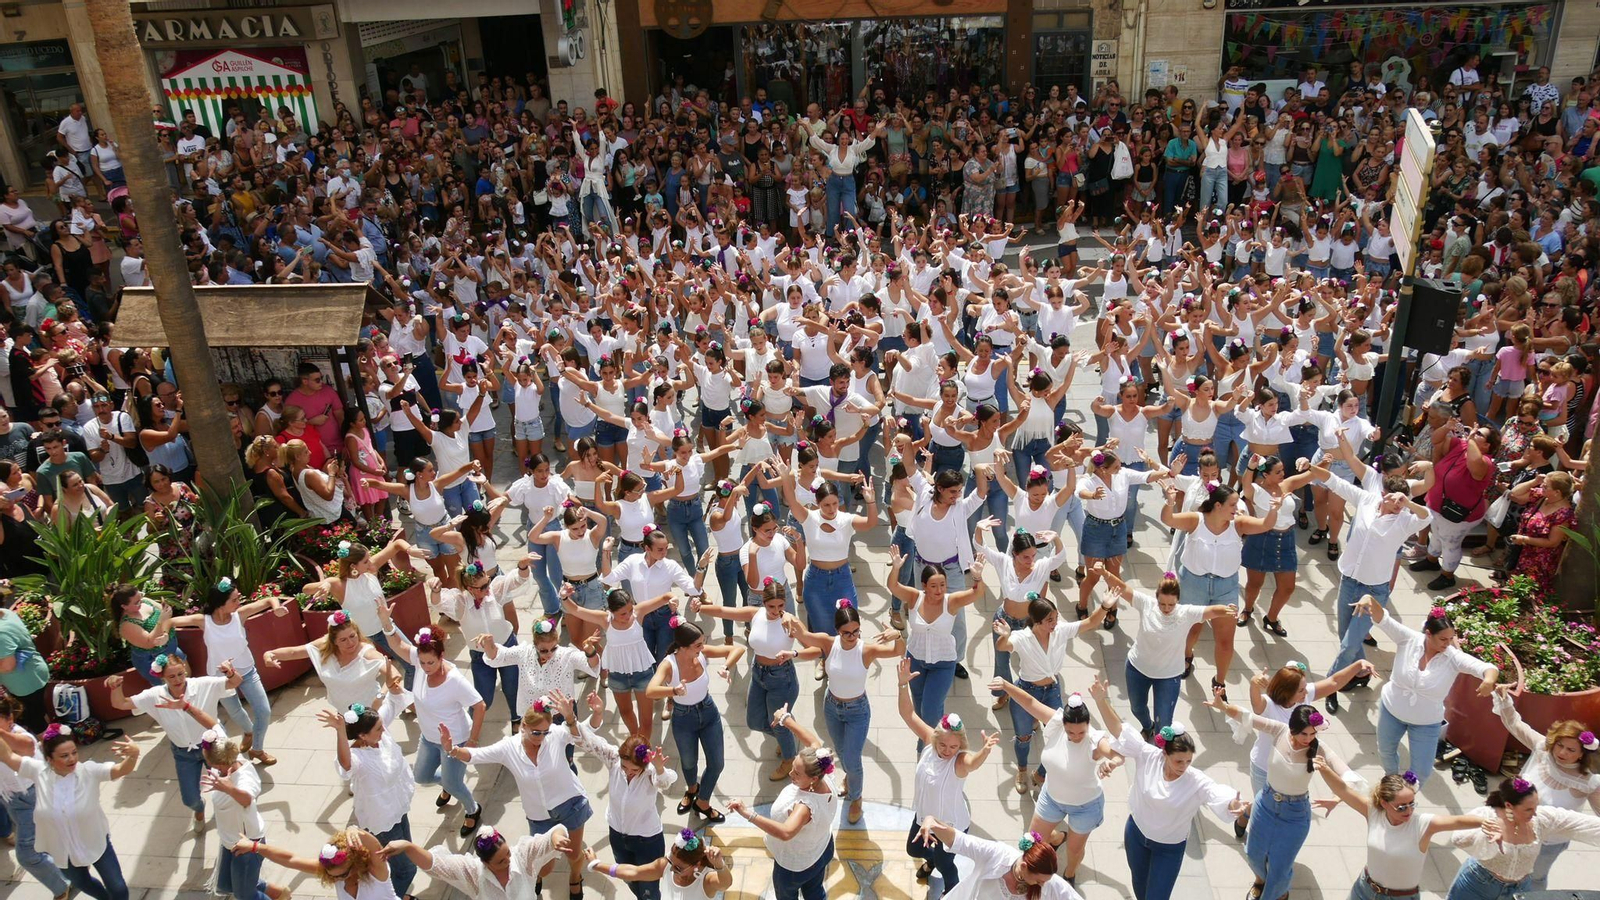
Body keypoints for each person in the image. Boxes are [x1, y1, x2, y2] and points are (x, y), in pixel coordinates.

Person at [1089, 673, 1249, 900]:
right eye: (1178, 761)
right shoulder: (1147, 755)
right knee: (1140, 887)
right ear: (1165, 754)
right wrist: (1100, 700)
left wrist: (1233, 802)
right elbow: (1119, 729)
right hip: (1136, 834)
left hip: (1169, 848)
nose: (1184, 766)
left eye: (1188, 761)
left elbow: (1215, 793)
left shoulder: (1195, 780)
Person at [1349, 598, 1498, 787]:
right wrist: (1369, 600)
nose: (1448, 643)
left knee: (1421, 771)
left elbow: (1487, 668)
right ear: (1428, 634)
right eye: (1443, 639)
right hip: (1391, 710)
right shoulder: (1408, 639)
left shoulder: (1453, 658)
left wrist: (1489, 680)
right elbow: (1383, 619)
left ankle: (1407, 796)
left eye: (1451, 638)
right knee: (1386, 751)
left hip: (1426, 723)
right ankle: (1391, 783)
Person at [792, 598, 902, 824]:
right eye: (847, 633)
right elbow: (803, 635)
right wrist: (787, 618)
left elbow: (897, 652)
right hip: (831, 706)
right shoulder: (828, 643)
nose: (852, 637)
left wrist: (898, 636)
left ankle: (856, 797)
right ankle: (850, 781)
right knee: (842, 754)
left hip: (857, 710)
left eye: (856, 631)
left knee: (852, 759)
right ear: (837, 631)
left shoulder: (866, 650)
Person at [0, 724, 141, 900]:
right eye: (64, 756)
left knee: (118, 887)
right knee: (82, 883)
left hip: (95, 841)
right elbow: (8, 755)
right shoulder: (38, 771)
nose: (72, 759)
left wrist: (133, 754)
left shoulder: (89, 770)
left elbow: (121, 769)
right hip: (61, 848)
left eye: (74, 752)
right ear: (49, 759)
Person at [1316, 766, 1491, 900]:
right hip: (1364, 890)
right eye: (1401, 807)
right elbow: (1343, 790)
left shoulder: (1423, 824)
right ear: (1384, 803)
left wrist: (1490, 822)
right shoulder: (1374, 813)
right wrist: (1323, 768)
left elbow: (1458, 821)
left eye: (1412, 803)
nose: (1408, 810)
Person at [317, 675, 418, 897]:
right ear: (362, 736)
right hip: (382, 820)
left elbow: (389, 702)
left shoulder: (377, 730)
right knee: (407, 868)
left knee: (407, 855)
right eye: (379, 730)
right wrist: (340, 731)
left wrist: (387, 686)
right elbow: (345, 763)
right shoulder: (359, 757)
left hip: (398, 807)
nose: (384, 731)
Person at [1490, 686, 1600, 889]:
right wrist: (1504, 700)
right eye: (1560, 745)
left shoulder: (1588, 781)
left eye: (1571, 750)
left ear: (1582, 754)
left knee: (1535, 877)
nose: (1562, 752)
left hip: (1550, 842)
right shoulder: (1542, 749)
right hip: (1513, 826)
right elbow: (1515, 724)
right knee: (1499, 869)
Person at [727, 706, 841, 900]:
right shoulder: (822, 773)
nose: (790, 774)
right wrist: (785, 720)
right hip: (822, 849)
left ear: (812, 778)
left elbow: (786, 832)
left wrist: (748, 813)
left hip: (795, 867)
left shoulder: (805, 806)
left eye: (796, 774)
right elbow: (813, 742)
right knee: (814, 891)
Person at [169, 578, 285, 765]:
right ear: (220, 604)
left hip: (247, 672)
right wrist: (162, 633)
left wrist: (276, 607)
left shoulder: (240, 615)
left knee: (263, 711)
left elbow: (267, 600)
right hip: (219, 679)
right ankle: (248, 731)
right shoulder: (204, 621)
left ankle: (257, 748)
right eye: (234, 599)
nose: (239, 602)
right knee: (236, 712)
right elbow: (173, 621)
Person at [646, 618, 743, 824]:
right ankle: (692, 790)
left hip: (708, 712)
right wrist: (673, 690)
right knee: (688, 762)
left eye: (703, 642)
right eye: (697, 644)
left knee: (717, 764)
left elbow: (738, 649)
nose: (702, 647)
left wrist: (726, 666)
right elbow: (650, 690)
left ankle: (703, 802)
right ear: (682, 647)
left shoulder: (702, 652)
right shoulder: (669, 664)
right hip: (683, 717)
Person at [1447, 777, 1600, 900]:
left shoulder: (1541, 819)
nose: (1534, 813)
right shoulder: (1486, 815)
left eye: (1536, 806)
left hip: (1520, 888)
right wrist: (1485, 833)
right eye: (1528, 809)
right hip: (1478, 885)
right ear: (1509, 805)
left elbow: (1580, 823)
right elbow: (1457, 838)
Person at [199, 731, 286, 900]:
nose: (211, 768)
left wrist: (228, 788)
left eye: (212, 765)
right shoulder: (225, 752)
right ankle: (277, 892)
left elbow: (246, 798)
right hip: (228, 841)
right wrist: (187, 708)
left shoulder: (245, 777)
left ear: (222, 764)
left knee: (245, 896)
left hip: (246, 845)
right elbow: (210, 722)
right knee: (226, 884)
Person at [0, 695, 71, 899]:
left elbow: (28, 747)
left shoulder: (18, 735)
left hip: (31, 799)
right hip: (12, 799)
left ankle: (61, 886)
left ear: (9, 718)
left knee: (28, 855)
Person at [232, 827, 395, 900]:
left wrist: (353, 830)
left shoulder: (377, 875)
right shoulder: (333, 872)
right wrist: (255, 846)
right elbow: (290, 860)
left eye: (343, 874)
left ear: (356, 862)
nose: (338, 879)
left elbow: (375, 847)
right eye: (333, 876)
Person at [583, 827, 734, 899]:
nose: (672, 869)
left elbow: (725, 883)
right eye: (671, 861)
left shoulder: (706, 880)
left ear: (696, 865)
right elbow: (634, 872)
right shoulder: (665, 865)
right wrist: (596, 865)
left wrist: (720, 865)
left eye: (679, 868)